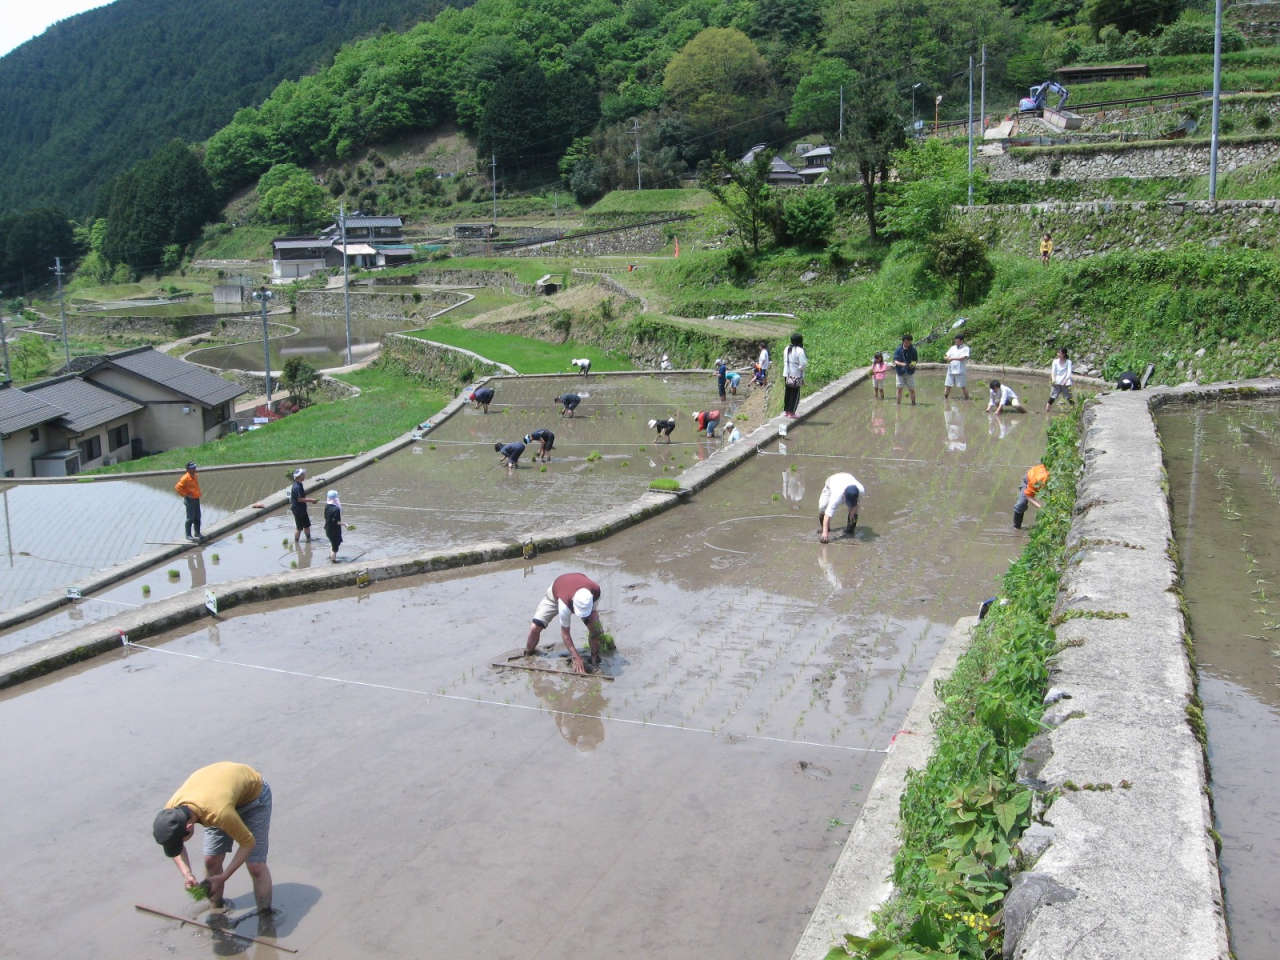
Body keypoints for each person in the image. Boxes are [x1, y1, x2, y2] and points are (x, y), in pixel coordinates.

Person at [152, 762, 273, 912]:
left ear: (189, 827)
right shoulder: (170, 813)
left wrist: (224, 876)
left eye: (180, 841)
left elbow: (248, 843)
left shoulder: (218, 812)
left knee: (255, 865)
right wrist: (187, 873)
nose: (179, 845)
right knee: (211, 860)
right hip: (218, 796)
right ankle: (216, 910)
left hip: (253, 798)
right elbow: (174, 844)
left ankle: (266, 917)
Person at [523, 572, 609, 675]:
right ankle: (528, 653)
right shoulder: (565, 605)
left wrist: (598, 632)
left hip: (574, 589)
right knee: (535, 627)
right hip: (556, 593)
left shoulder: (596, 592)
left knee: (595, 629)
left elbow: (593, 615)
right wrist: (576, 657)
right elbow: (565, 633)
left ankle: (595, 660)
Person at [817, 472, 865, 543]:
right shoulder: (836, 496)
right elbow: (828, 515)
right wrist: (825, 533)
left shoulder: (861, 491)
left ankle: (849, 532)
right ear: (844, 495)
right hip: (832, 481)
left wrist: (852, 512)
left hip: (847, 478)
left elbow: (856, 504)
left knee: (854, 512)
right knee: (822, 507)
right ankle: (825, 529)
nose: (849, 505)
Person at [1014, 463, 1050, 529]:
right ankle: (1016, 526)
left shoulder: (1055, 481)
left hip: (1038, 472)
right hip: (1028, 480)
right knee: (1021, 504)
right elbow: (1028, 496)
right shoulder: (1037, 480)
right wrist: (1040, 508)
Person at [175, 461, 203, 543]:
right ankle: (188, 535)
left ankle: (197, 533)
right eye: (192, 468)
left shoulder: (194, 476)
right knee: (190, 518)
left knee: (198, 516)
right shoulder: (185, 478)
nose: (194, 469)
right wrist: (186, 494)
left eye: (194, 467)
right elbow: (177, 487)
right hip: (190, 500)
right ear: (188, 469)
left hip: (196, 498)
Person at [782, 333, 807, 418]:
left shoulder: (787, 348)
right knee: (795, 393)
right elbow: (803, 364)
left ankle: (786, 411)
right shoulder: (800, 350)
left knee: (788, 392)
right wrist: (800, 369)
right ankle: (792, 413)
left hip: (787, 374)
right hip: (795, 375)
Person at [289, 468, 318, 543]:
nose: (305, 475)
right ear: (300, 476)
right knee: (299, 528)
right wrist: (310, 500)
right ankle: (296, 542)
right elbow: (299, 499)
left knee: (306, 525)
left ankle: (309, 539)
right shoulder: (297, 487)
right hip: (298, 510)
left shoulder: (299, 484)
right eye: (303, 474)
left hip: (302, 509)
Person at [944, 333, 971, 401]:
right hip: (950, 370)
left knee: (963, 386)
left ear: (962, 341)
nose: (956, 342)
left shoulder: (966, 348)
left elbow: (963, 358)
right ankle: (945, 399)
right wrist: (946, 357)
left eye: (958, 341)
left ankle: (967, 399)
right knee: (948, 385)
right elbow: (946, 355)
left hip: (960, 370)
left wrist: (952, 359)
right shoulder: (952, 348)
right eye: (955, 341)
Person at [894, 333, 918, 406]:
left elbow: (915, 360)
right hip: (900, 372)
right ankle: (898, 404)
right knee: (899, 389)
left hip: (910, 372)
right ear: (903, 341)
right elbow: (895, 360)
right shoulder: (898, 350)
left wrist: (912, 365)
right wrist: (902, 364)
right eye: (907, 342)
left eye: (909, 342)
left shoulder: (913, 350)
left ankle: (913, 403)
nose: (908, 344)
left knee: (912, 389)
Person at [323, 490, 343, 562]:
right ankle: (333, 561)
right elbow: (335, 522)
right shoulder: (336, 509)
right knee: (335, 547)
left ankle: (330, 556)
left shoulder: (327, 506)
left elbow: (325, 517)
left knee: (333, 543)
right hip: (334, 531)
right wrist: (345, 524)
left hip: (328, 529)